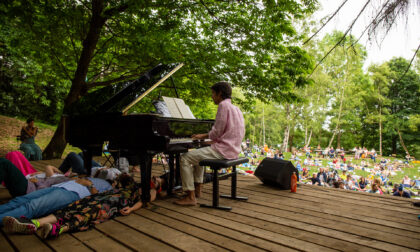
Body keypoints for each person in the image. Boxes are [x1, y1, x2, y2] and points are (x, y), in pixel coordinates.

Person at [3, 174, 165, 237]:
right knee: (20, 201)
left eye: (156, 179)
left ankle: (51, 227)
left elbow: (145, 200)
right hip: (90, 192)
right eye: (153, 176)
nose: (153, 177)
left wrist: (131, 208)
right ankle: (36, 223)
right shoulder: (126, 183)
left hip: (112, 200)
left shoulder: (150, 191)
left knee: (89, 212)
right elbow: (124, 176)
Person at [174, 82, 245, 206]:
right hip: (232, 150)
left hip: (223, 151)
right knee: (198, 155)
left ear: (220, 93)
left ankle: (190, 196)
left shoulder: (223, 105)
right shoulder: (236, 109)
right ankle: (198, 190)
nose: (212, 96)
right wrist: (207, 141)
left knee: (184, 158)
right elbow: (232, 132)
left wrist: (203, 136)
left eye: (213, 93)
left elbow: (217, 130)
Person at [0, 176, 112, 226]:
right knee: (21, 200)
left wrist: (90, 184)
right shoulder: (95, 177)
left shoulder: (108, 186)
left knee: (32, 206)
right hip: (59, 186)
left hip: (72, 194)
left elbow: (97, 197)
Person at [0, 158, 70, 198]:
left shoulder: (64, 180)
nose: (71, 172)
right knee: (5, 164)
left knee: (4, 163)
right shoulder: (62, 178)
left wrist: (36, 181)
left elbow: (45, 190)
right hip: (27, 184)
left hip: (27, 189)